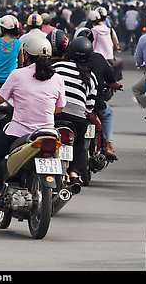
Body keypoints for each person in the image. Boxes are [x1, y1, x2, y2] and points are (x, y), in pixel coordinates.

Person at [0, 35, 66, 203]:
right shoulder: (58, 78)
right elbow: (60, 107)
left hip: (20, 133)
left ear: (26, 55)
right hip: (48, 132)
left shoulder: (17, 75)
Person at [52, 36, 98, 185]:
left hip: (56, 115)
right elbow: (89, 107)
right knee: (79, 143)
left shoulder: (58, 67)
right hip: (78, 119)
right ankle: (74, 172)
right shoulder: (91, 77)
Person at [74, 27, 122, 159]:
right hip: (96, 104)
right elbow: (112, 81)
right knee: (108, 113)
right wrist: (116, 86)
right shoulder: (99, 58)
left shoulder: (68, 61)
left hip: (76, 105)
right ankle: (108, 145)